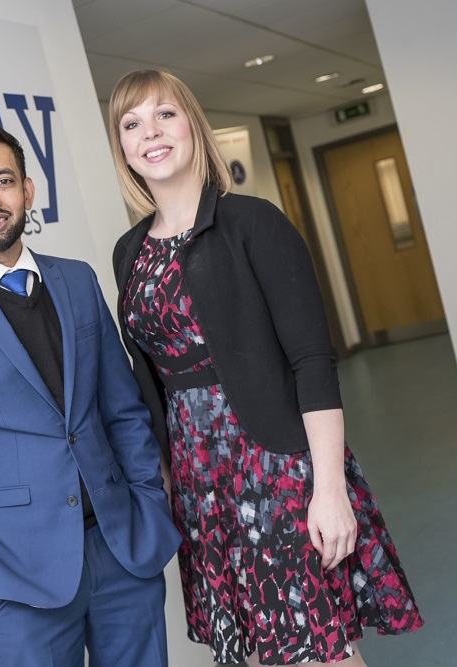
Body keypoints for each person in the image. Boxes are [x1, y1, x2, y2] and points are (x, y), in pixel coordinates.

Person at [108, 69, 424, 666]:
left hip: (273, 465)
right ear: (122, 146)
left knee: (318, 646)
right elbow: (147, 378)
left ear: (193, 125)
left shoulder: (253, 223)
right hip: (200, 480)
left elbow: (311, 360)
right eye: (132, 122)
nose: (151, 132)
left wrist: (330, 491)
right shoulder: (130, 253)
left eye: (165, 114)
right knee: (264, 650)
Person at [0, 114, 180, 666]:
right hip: (20, 581)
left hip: (123, 551)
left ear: (27, 190)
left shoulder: (76, 279)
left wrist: (149, 500)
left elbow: (122, 409)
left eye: (3, 181)